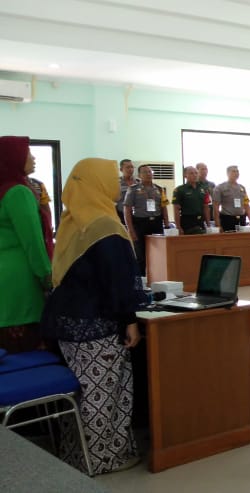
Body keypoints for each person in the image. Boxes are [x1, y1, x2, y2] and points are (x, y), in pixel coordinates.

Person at [40, 158, 143, 474]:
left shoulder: (73, 220)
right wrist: (130, 319)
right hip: (94, 325)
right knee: (105, 391)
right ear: (98, 183)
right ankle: (102, 458)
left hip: (67, 323)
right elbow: (118, 279)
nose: (115, 182)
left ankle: (77, 453)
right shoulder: (105, 225)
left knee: (84, 390)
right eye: (110, 177)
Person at [0, 136, 51, 353]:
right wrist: (48, 278)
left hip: (5, 276)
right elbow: (33, 242)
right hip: (19, 280)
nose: (33, 157)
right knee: (24, 351)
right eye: (27, 152)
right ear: (14, 158)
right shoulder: (18, 192)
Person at [123, 164, 170, 276]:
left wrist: (167, 225)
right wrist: (130, 230)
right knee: (141, 255)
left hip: (156, 223)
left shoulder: (159, 189)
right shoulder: (133, 189)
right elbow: (127, 210)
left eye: (150, 172)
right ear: (139, 175)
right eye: (145, 172)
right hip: (140, 223)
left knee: (159, 253)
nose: (148, 174)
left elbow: (164, 207)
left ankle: (158, 277)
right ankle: (142, 280)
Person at [212, 165, 250, 232]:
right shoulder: (220, 187)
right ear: (227, 173)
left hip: (241, 218)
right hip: (227, 219)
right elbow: (216, 207)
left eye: (237, 171)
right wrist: (218, 225)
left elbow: (246, 205)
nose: (236, 173)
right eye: (233, 171)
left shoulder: (242, 188)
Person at [172, 165, 211, 235]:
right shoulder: (180, 190)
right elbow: (176, 209)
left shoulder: (203, 189)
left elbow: (206, 207)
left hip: (200, 220)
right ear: (185, 175)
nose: (195, 175)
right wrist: (178, 227)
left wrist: (208, 225)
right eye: (191, 173)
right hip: (187, 221)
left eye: (196, 173)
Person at [116, 159, 139, 225]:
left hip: (137, 215)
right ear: (121, 169)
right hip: (121, 215)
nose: (130, 169)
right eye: (128, 167)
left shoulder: (138, 182)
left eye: (132, 167)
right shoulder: (116, 183)